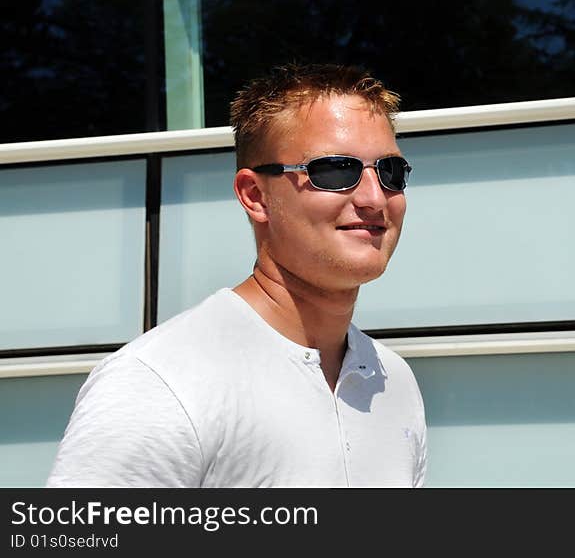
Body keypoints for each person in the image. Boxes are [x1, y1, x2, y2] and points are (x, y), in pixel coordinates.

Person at [46, 63, 427, 487]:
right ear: (254, 195)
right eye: (336, 170)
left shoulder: (394, 381)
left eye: (391, 172)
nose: (375, 198)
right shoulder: (162, 380)